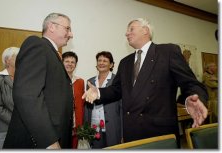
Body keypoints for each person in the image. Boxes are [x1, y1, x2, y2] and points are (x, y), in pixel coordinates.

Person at [83, 18, 208, 146]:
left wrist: (192, 99)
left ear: (145, 30)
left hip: (160, 133)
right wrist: (98, 93)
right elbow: (116, 90)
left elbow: (191, 83)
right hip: (132, 133)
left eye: (131, 29)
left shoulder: (167, 52)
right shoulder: (125, 62)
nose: (126, 34)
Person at [3, 13, 74, 149]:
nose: (71, 34)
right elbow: (28, 95)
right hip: (37, 141)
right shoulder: (37, 45)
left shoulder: (53, 53)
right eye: (67, 28)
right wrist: (49, 140)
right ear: (52, 26)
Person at [84, 51, 122, 148]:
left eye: (105, 61)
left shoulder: (117, 80)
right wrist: (86, 127)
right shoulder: (90, 81)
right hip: (94, 126)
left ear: (111, 65)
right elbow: (87, 106)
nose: (101, 63)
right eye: (99, 60)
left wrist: (123, 132)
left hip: (113, 125)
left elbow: (122, 106)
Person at [62, 51, 85, 148]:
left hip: (76, 123)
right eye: (67, 61)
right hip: (61, 123)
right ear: (61, 63)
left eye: (73, 62)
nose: (70, 64)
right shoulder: (55, 80)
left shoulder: (80, 81)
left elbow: (81, 103)